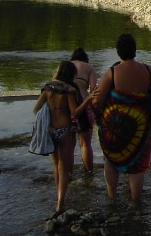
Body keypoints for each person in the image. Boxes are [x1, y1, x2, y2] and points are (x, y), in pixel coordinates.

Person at [93, 33, 151, 202]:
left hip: (115, 126)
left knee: (111, 160)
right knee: (137, 164)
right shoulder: (148, 70)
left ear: (118, 51)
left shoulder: (112, 72)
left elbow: (97, 101)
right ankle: (136, 201)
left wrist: (97, 117)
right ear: (135, 50)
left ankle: (112, 198)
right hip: (140, 126)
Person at [33, 61, 94, 214]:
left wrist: (48, 124)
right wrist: (88, 99)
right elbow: (75, 113)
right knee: (64, 167)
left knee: (56, 166)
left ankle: (58, 196)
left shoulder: (48, 88)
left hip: (51, 130)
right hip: (65, 130)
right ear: (70, 74)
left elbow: (36, 110)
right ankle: (61, 203)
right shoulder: (70, 90)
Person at [70, 48, 98, 173]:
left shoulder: (65, 66)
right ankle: (89, 172)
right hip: (84, 104)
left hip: (66, 106)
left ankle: (67, 172)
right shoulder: (89, 68)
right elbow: (93, 90)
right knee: (85, 144)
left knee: (68, 145)